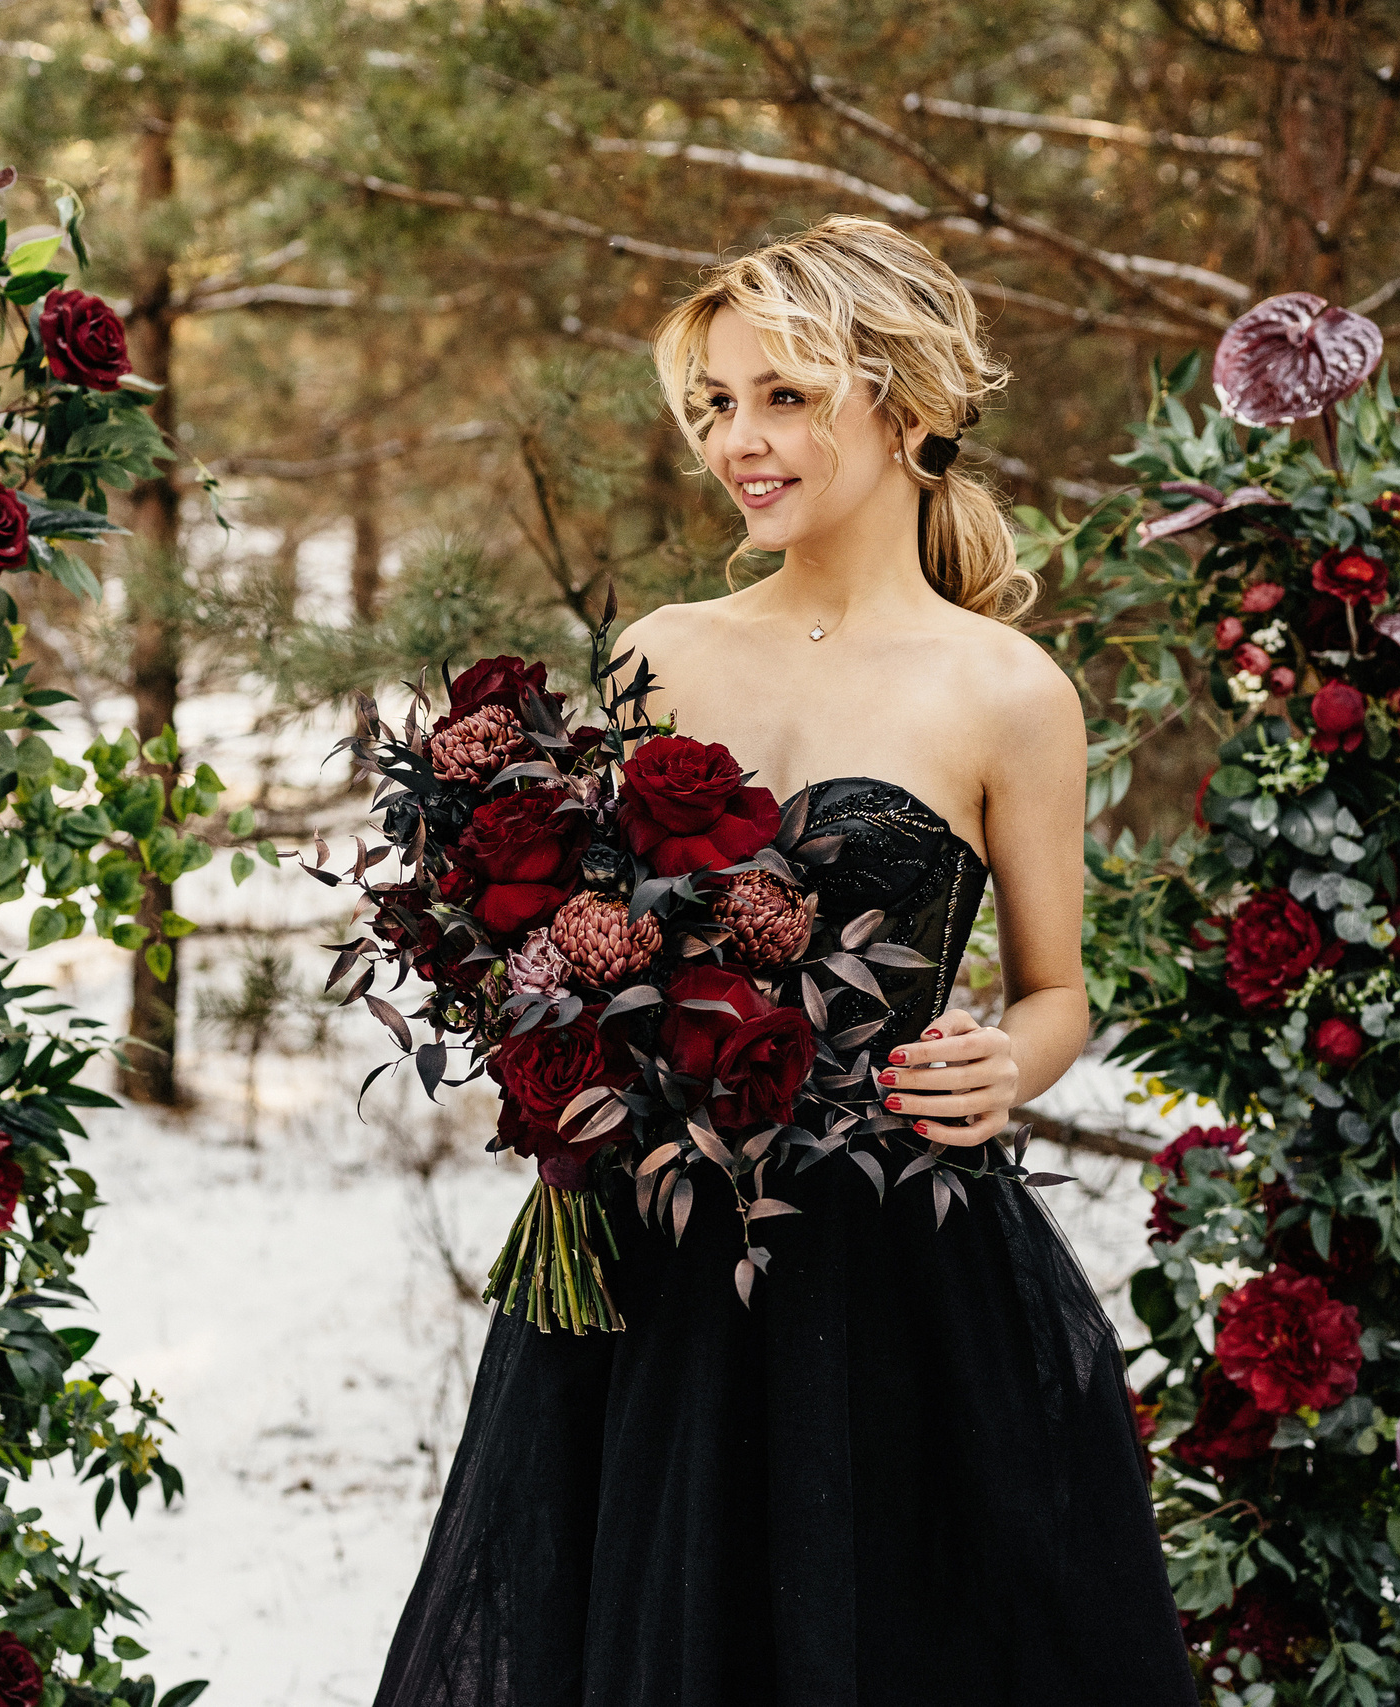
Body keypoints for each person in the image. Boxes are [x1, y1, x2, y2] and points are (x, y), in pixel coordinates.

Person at [371, 215, 1197, 1707]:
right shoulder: (663, 654)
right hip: (659, 1265)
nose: (738, 442)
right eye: (715, 406)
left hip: (897, 1268)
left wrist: (1010, 1059)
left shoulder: (1008, 692)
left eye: (784, 396)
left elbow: (1058, 988)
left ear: (906, 402)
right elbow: (577, 925)